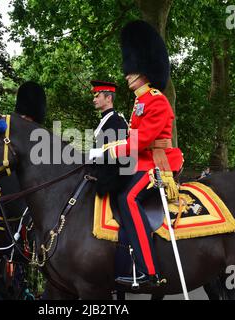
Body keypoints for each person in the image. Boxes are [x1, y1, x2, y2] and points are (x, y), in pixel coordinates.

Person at [89, 20, 183, 287]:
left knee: (128, 197)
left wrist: (104, 153)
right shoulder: (140, 101)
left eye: (132, 69)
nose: (126, 73)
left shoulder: (156, 99)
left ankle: (148, 269)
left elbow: (140, 142)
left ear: (144, 70)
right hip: (142, 160)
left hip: (159, 161)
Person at [91, 80, 129, 195]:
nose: (94, 100)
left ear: (108, 99)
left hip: (111, 177)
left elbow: (114, 156)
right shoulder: (107, 119)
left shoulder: (115, 120)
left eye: (97, 96)